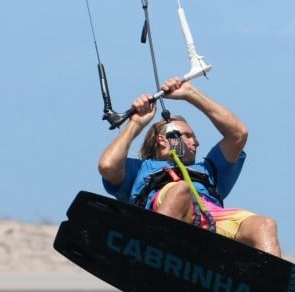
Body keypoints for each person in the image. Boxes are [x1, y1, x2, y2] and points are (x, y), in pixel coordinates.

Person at [98, 77, 281, 257]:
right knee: (182, 189)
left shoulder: (209, 169)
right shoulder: (139, 169)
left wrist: (190, 94)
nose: (197, 142)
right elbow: (107, 166)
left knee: (265, 225)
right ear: (163, 141)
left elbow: (238, 134)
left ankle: (270, 282)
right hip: (162, 216)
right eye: (188, 136)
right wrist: (135, 124)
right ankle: (153, 249)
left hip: (210, 221)